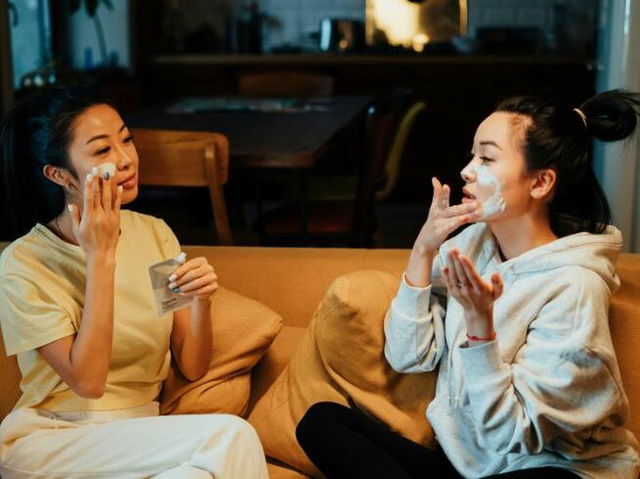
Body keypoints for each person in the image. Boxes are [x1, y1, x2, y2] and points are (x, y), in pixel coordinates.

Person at [295, 90, 640, 479]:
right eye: (472, 154)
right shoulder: (471, 246)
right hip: (470, 466)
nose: (467, 170)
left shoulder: (575, 286)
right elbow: (408, 357)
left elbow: (513, 434)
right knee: (321, 423)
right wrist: (423, 251)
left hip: (549, 466)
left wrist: (481, 330)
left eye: (487, 158)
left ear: (541, 182)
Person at [0, 87, 268, 479]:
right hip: (52, 440)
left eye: (126, 140)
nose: (126, 160)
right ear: (59, 174)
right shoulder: (23, 263)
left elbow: (191, 365)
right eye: (102, 151)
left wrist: (201, 301)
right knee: (231, 435)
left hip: (141, 436)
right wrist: (100, 257)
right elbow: (88, 382)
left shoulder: (155, 235)